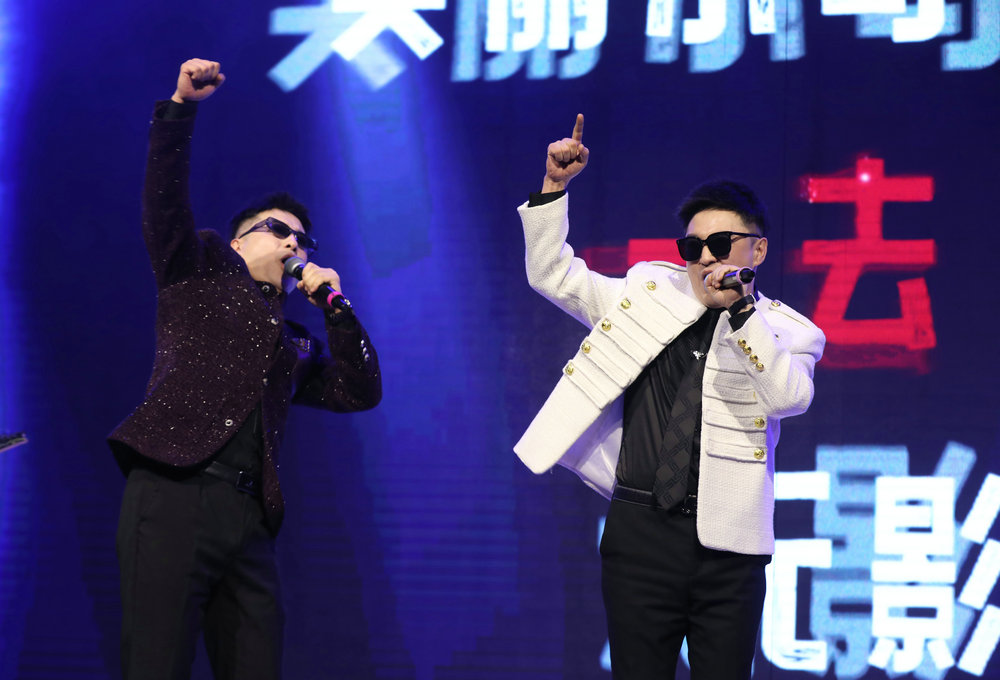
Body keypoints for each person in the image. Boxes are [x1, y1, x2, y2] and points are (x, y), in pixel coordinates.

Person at [514, 114, 825, 679]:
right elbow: (553, 276)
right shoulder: (645, 294)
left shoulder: (788, 332)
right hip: (639, 534)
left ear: (757, 251)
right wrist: (554, 188)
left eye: (721, 244)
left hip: (729, 548)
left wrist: (741, 312)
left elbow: (788, 398)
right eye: (693, 246)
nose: (706, 258)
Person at [108, 58, 382, 680]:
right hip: (175, 490)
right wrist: (181, 107)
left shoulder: (294, 342)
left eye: (303, 240)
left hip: (249, 517)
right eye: (278, 230)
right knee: (155, 664)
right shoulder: (198, 271)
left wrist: (337, 311)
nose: (293, 244)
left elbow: (360, 390)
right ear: (237, 242)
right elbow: (163, 203)